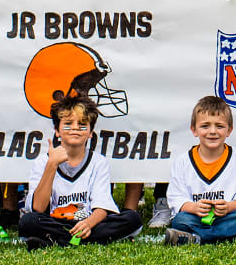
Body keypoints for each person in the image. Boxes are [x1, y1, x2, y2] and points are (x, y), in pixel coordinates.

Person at [19, 94, 143, 249]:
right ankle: (84, 240)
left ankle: (57, 241)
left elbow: (102, 207)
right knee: (29, 221)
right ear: (57, 131)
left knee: (132, 218)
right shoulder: (43, 162)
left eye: (83, 124)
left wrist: (88, 224)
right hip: (56, 221)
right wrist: (52, 165)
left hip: (89, 222)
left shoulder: (98, 161)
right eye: (68, 124)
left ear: (91, 132)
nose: (75, 128)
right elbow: (38, 207)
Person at [163, 96, 236, 245]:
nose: (212, 131)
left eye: (219, 126)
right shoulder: (182, 161)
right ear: (194, 130)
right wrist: (195, 207)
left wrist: (228, 207)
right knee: (181, 220)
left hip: (230, 215)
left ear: (229, 130)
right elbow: (177, 199)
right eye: (205, 126)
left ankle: (196, 239)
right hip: (197, 217)